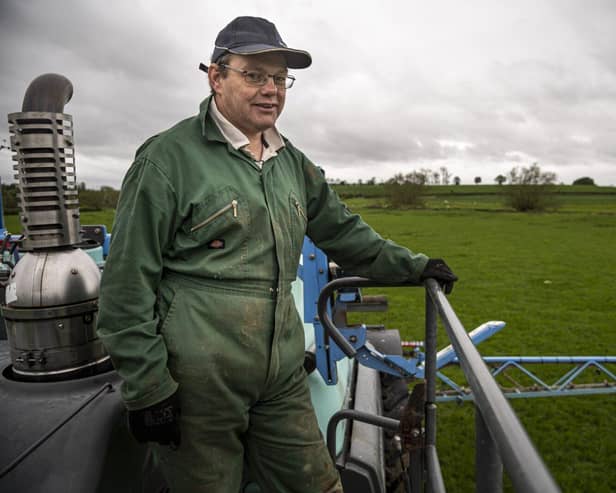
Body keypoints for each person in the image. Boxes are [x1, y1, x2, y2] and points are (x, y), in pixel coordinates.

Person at [97, 16, 457, 493]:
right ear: (216, 76)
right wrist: (148, 388)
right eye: (254, 75)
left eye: (280, 78)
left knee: (319, 485)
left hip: (281, 375)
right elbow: (126, 282)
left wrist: (413, 266)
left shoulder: (291, 163)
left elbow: (345, 232)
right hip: (197, 386)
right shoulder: (167, 160)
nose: (271, 90)